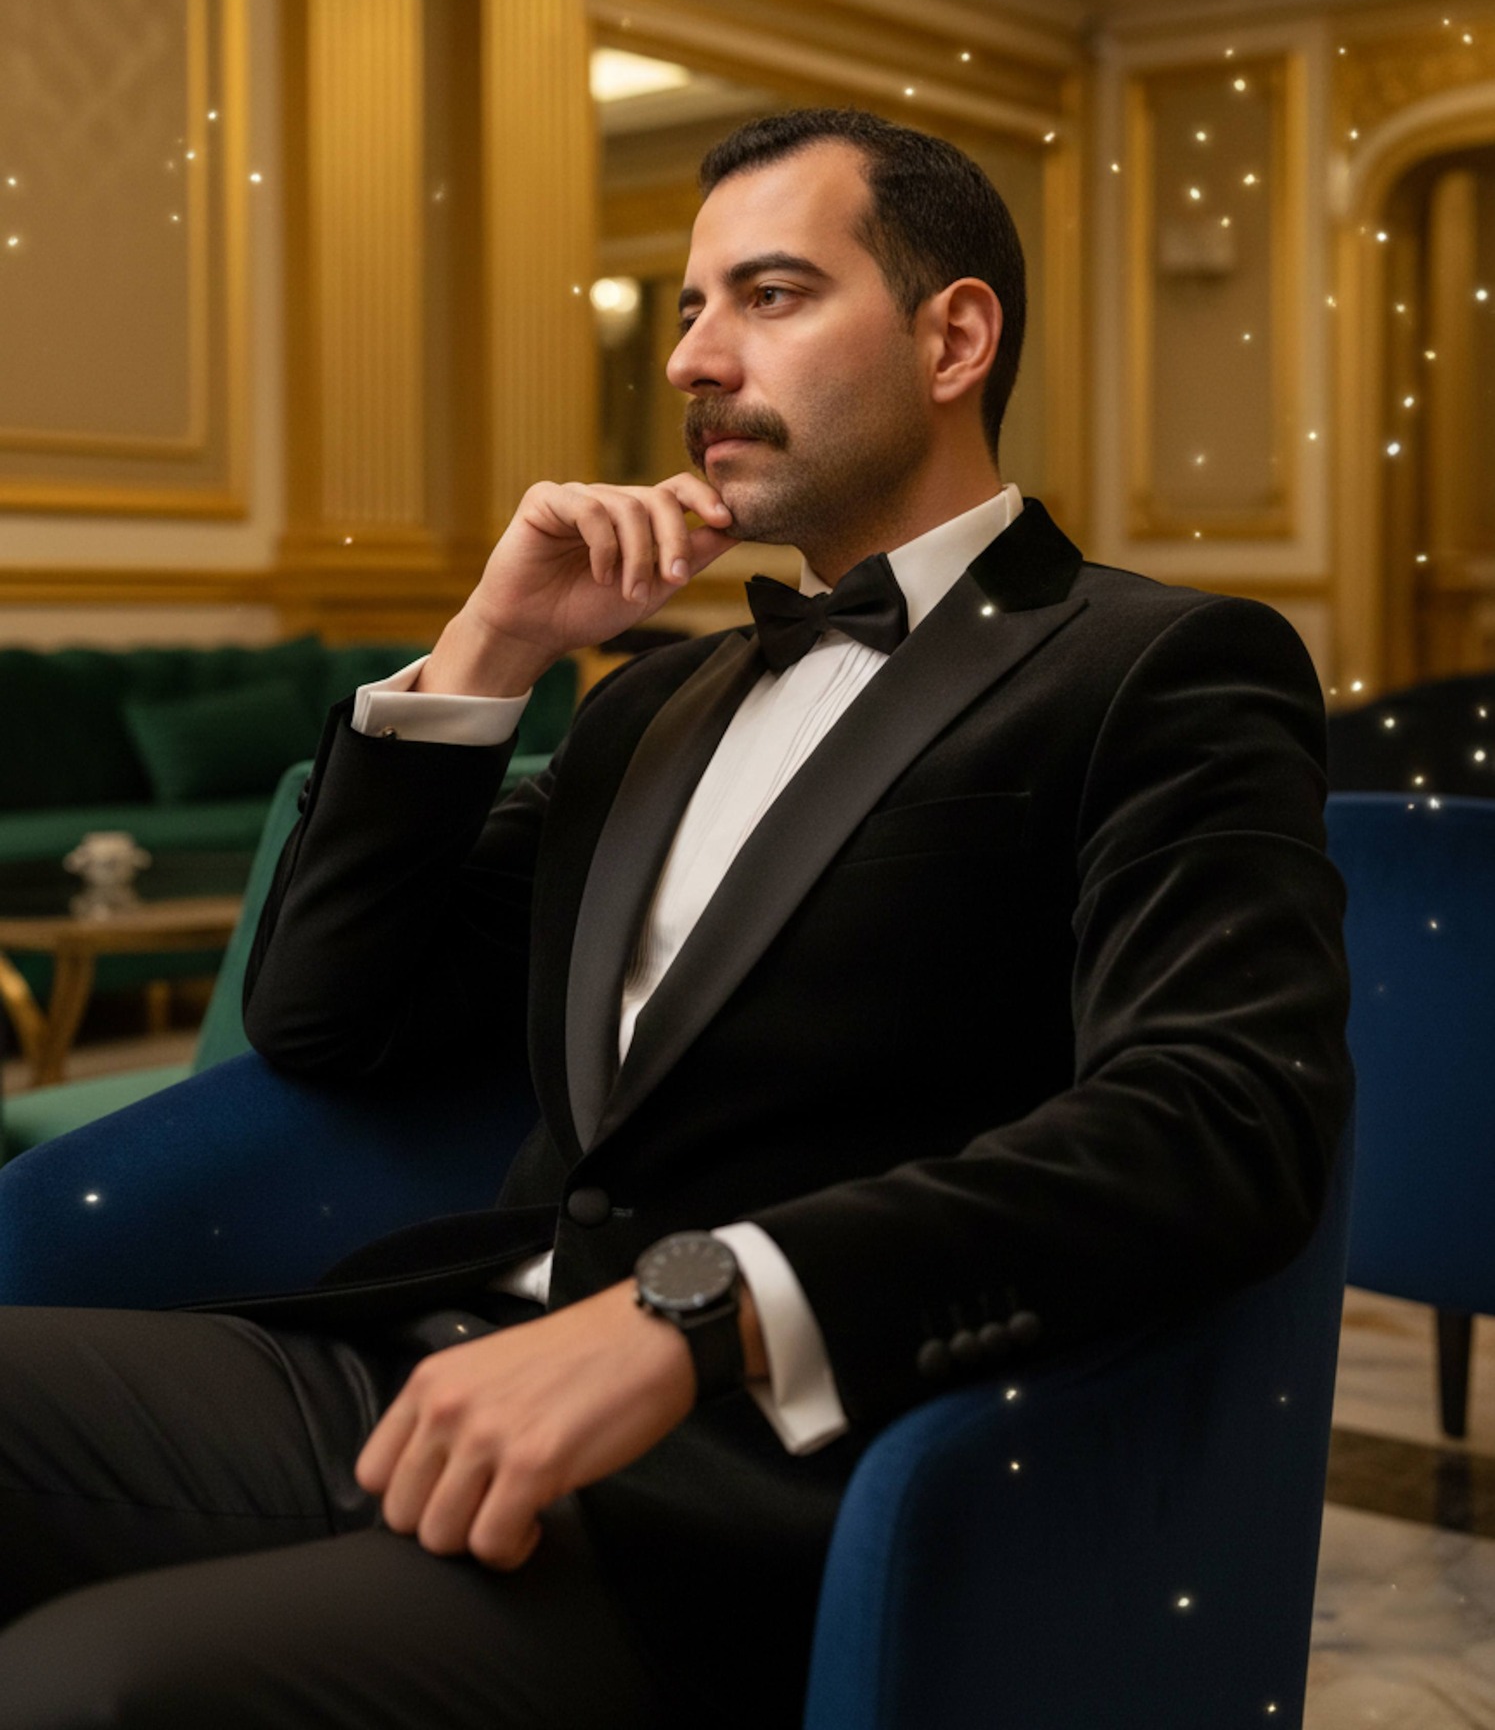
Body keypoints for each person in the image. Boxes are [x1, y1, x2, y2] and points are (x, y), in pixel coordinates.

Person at [0, 109, 1351, 1729]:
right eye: (690, 306)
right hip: (415, 1359)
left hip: (744, 1482)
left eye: (769, 295)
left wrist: (695, 1311)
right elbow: (323, 1019)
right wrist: (488, 651)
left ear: (955, 336)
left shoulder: (1159, 667)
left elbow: (1220, 1120)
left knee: (84, 1686)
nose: (697, 357)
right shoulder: (658, 700)